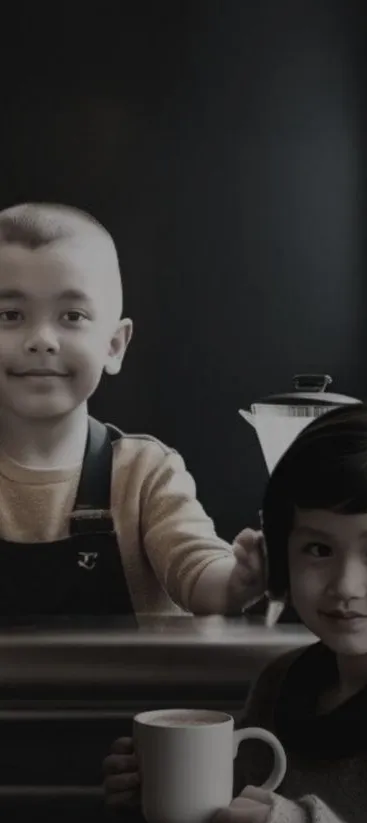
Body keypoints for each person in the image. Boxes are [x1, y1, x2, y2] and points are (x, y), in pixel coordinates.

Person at [103, 401, 367, 823]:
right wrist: (152, 796)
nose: (345, 585)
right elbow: (226, 811)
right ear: (279, 559)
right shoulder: (281, 683)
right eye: (318, 549)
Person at [0, 202, 264, 619]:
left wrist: (240, 580)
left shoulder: (145, 473)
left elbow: (198, 575)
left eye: (72, 316)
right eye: (10, 315)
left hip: (126, 688)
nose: (41, 340)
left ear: (114, 345)